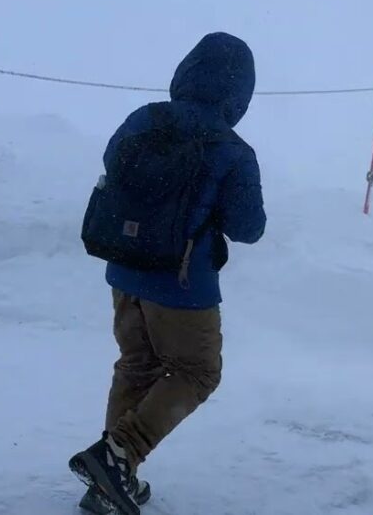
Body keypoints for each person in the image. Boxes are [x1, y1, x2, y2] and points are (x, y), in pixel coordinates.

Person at [69, 32, 267, 515]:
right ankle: (118, 456)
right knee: (198, 371)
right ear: (239, 93)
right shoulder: (233, 149)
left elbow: (113, 164)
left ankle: (109, 482)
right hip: (182, 283)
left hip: (124, 269)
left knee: (136, 364)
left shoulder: (144, 118)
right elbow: (248, 228)